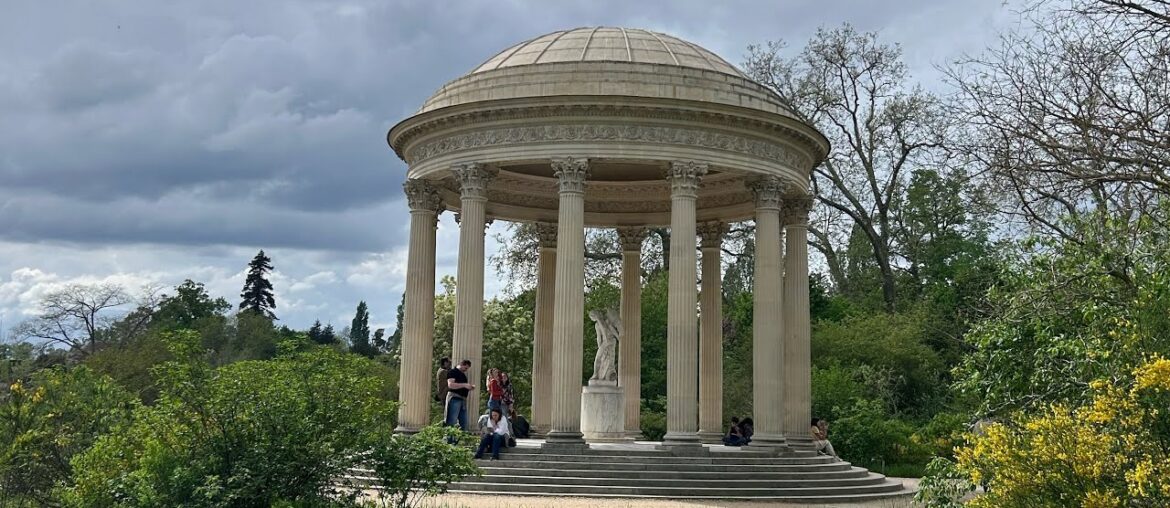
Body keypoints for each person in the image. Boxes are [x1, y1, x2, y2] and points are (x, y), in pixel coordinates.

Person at [444, 359, 475, 434]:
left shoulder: (463, 375)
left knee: (464, 423)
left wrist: (469, 387)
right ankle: (449, 442)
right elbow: (451, 385)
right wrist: (464, 385)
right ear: (461, 365)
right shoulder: (453, 372)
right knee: (452, 421)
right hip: (454, 398)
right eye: (466, 368)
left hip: (462, 400)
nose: (466, 370)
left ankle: (462, 441)